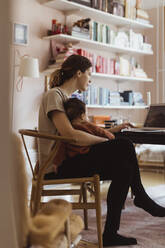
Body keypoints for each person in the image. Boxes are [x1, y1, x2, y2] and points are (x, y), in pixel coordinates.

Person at [38, 54, 165, 247]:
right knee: (123, 144)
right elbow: (70, 135)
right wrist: (106, 141)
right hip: (56, 166)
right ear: (78, 73)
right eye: (89, 74)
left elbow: (80, 131)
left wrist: (112, 131)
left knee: (124, 168)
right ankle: (142, 198)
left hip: (69, 160)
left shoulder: (67, 98)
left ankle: (110, 234)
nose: (90, 79)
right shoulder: (54, 95)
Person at [53, 97, 115, 172]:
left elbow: (60, 148)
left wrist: (56, 163)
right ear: (82, 116)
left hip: (72, 160)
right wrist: (111, 137)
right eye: (87, 115)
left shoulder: (66, 131)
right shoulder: (88, 126)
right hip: (88, 158)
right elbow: (108, 135)